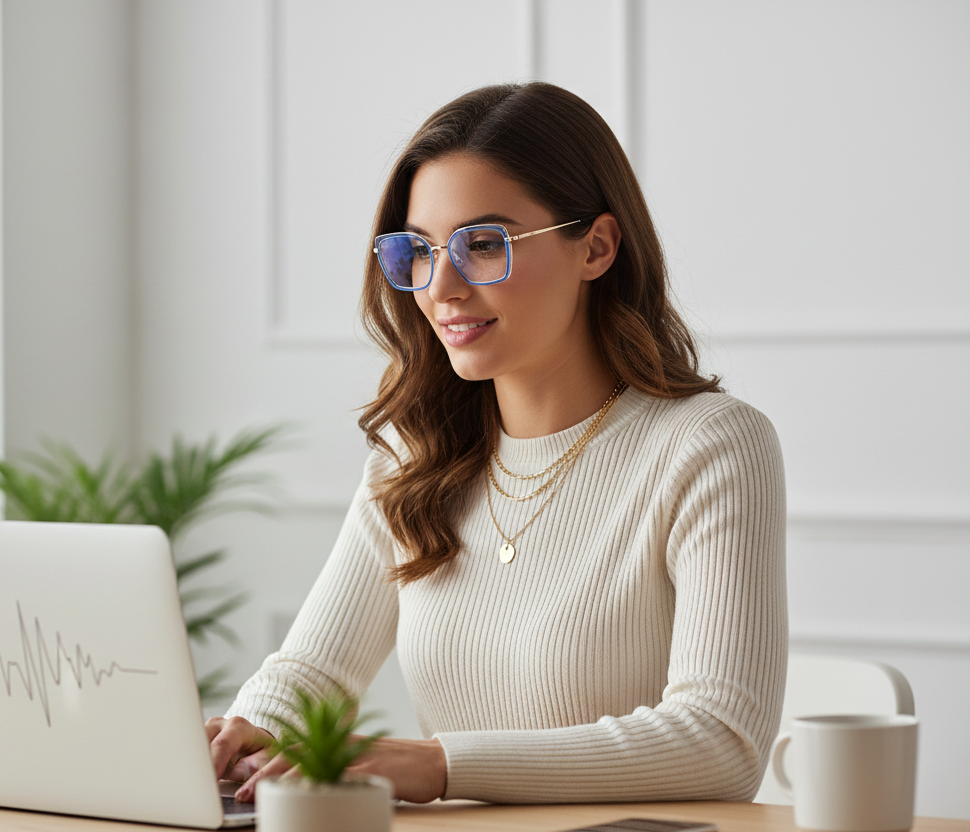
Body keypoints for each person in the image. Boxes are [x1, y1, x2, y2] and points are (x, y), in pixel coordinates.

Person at [205, 82, 786, 805]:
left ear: (596, 248)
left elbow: (718, 742)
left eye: (484, 245)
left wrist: (439, 764)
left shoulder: (709, 446)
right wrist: (246, 731)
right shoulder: (415, 452)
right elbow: (313, 673)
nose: (440, 286)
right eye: (417, 250)